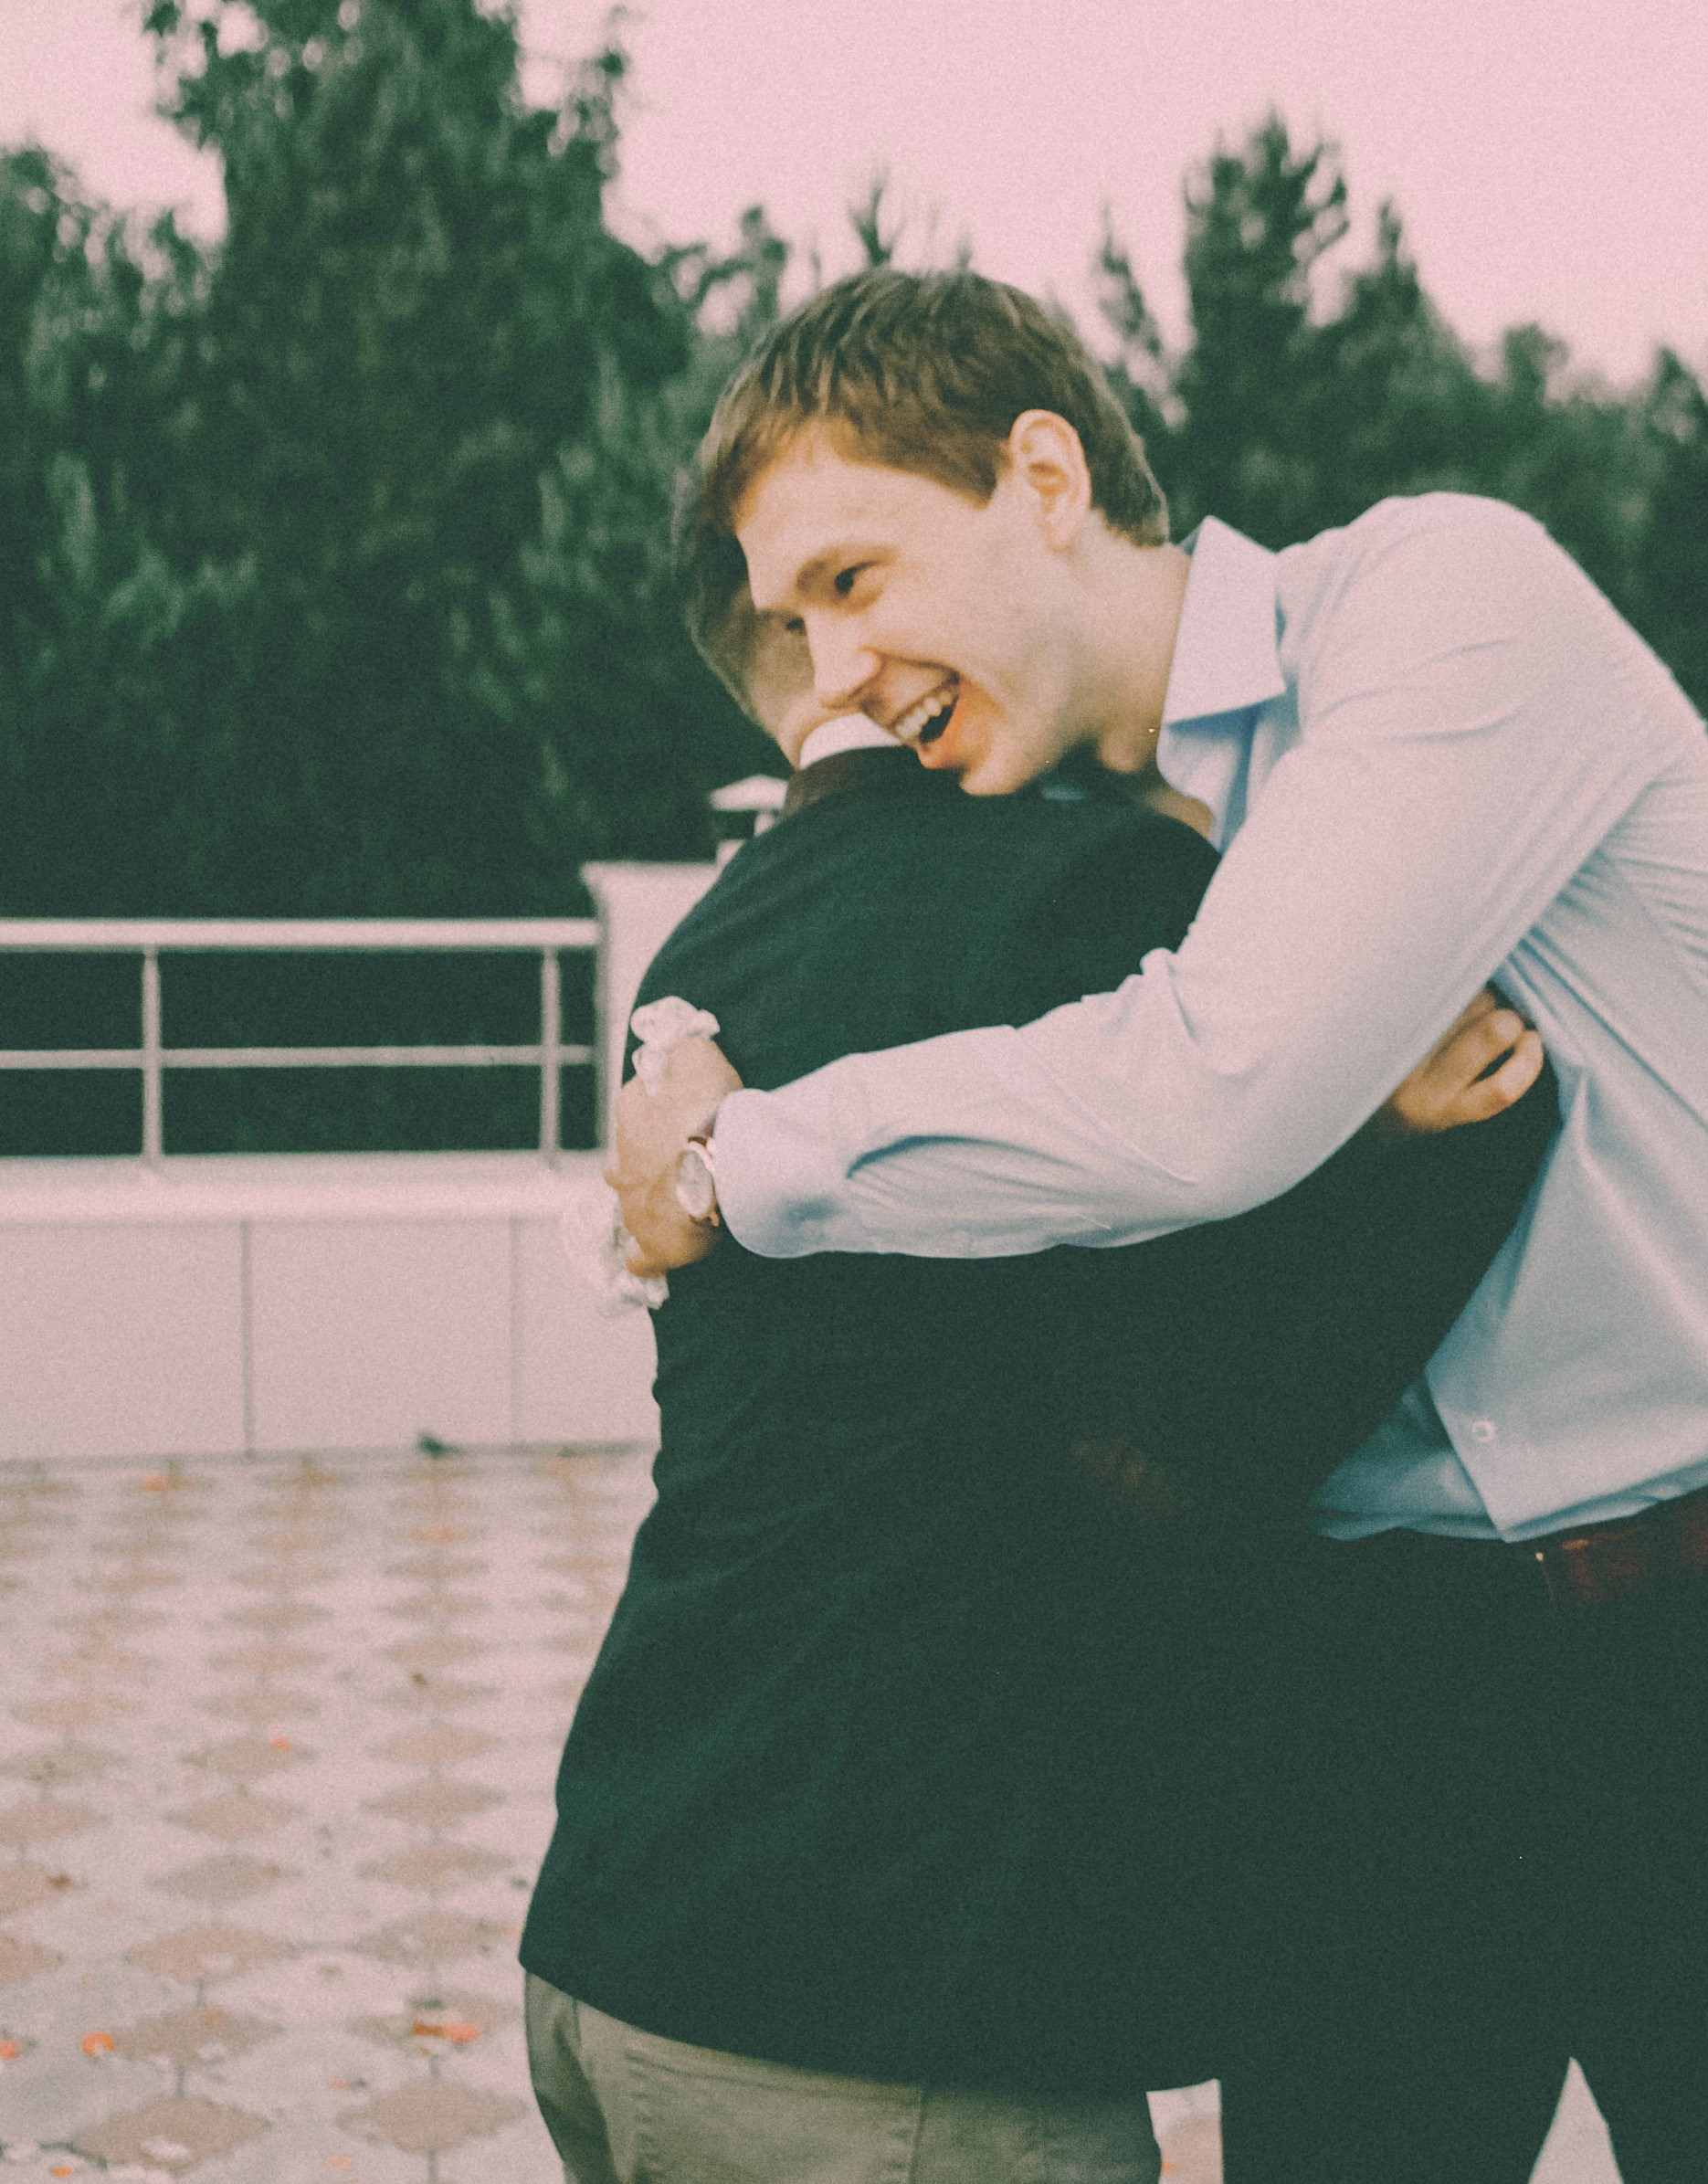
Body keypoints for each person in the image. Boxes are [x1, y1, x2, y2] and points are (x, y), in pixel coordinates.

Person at [613, 267, 1708, 2184]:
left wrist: (734, 1162)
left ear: (1041, 473)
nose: (829, 673)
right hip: (1363, 1687)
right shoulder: (1062, 867)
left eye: (854, 579)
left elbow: (1209, 1092)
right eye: (786, 624)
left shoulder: (1442, 603)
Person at [520, 572, 1558, 2182]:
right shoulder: (1089, 891)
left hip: (619, 1921)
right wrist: (1399, 1142)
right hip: (887, 2011)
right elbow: (1200, 1433)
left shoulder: (710, 939)